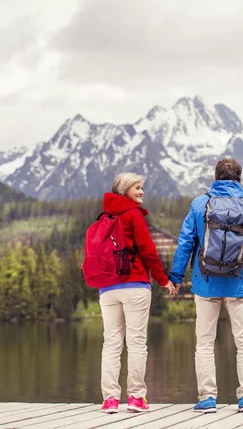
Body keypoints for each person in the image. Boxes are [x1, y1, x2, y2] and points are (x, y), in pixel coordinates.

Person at [169, 158, 243, 414]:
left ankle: (208, 398)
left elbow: (185, 242)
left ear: (215, 176)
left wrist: (176, 277)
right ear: (239, 178)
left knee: (205, 342)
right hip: (239, 283)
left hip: (206, 283)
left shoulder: (200, 204)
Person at [100, 172, 176, 414]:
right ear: (124, 190)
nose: (142, 191)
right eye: (137, 188)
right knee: (136, 343)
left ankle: (110, 400)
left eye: (142, 187)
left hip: (107, 288)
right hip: (134, 285)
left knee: (111, 343)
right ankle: (135, 398)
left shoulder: (105, 216)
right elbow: (148, 251)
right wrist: (164, 280)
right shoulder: (133, 214)